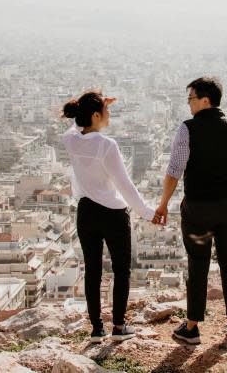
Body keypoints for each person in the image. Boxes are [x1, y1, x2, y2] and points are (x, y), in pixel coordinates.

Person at [153, 77, 227, 344]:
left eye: (191, 99)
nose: (189, 105)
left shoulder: (188, 129)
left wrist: (163, 204)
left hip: (198, 210)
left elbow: (174, 171)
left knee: (198, 264)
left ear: (205, 101)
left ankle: (193, 327)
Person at [62, 90, 158, 343]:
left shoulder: (71, 141)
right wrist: (148, 213)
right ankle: (118, 326)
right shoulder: (107, 145)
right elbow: (125, 185)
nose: (109, 114)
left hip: (85, 212)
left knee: (92, 270)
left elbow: (75, 126)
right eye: (106, 110)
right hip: (113, 214)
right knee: (121, 270)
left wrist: (93, 105)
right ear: (96, 115)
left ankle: (96, 328)